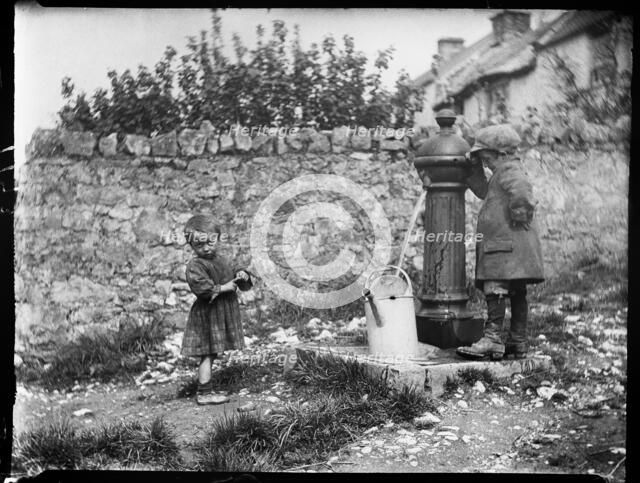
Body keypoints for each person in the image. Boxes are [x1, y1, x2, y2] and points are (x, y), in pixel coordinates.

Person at [457, 124, 544, 360]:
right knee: (517, 292)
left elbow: (523, 191)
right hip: (508, 247)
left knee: (494, 289)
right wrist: (474, 167)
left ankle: (493, 339)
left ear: (502, 154)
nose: (486, 165)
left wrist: (520, 214)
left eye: (487, 159)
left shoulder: (509, 170)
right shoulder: (500, 174)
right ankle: (518, 341)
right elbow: (483, 190)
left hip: (505, 246)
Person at [181, 214, 253, 404]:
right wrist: (223, 288)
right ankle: (204, 392)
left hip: (220, 312)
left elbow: (232, 269)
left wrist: (241, 274)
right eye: (199, 245)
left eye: (210, 242)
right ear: (192, 246)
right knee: (208, 352)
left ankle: (207, 387)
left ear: (217, 239)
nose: (206, 248)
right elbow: (201, 288)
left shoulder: (221, 259)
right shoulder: (195, 265)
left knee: (212, 352)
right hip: (208, 314)